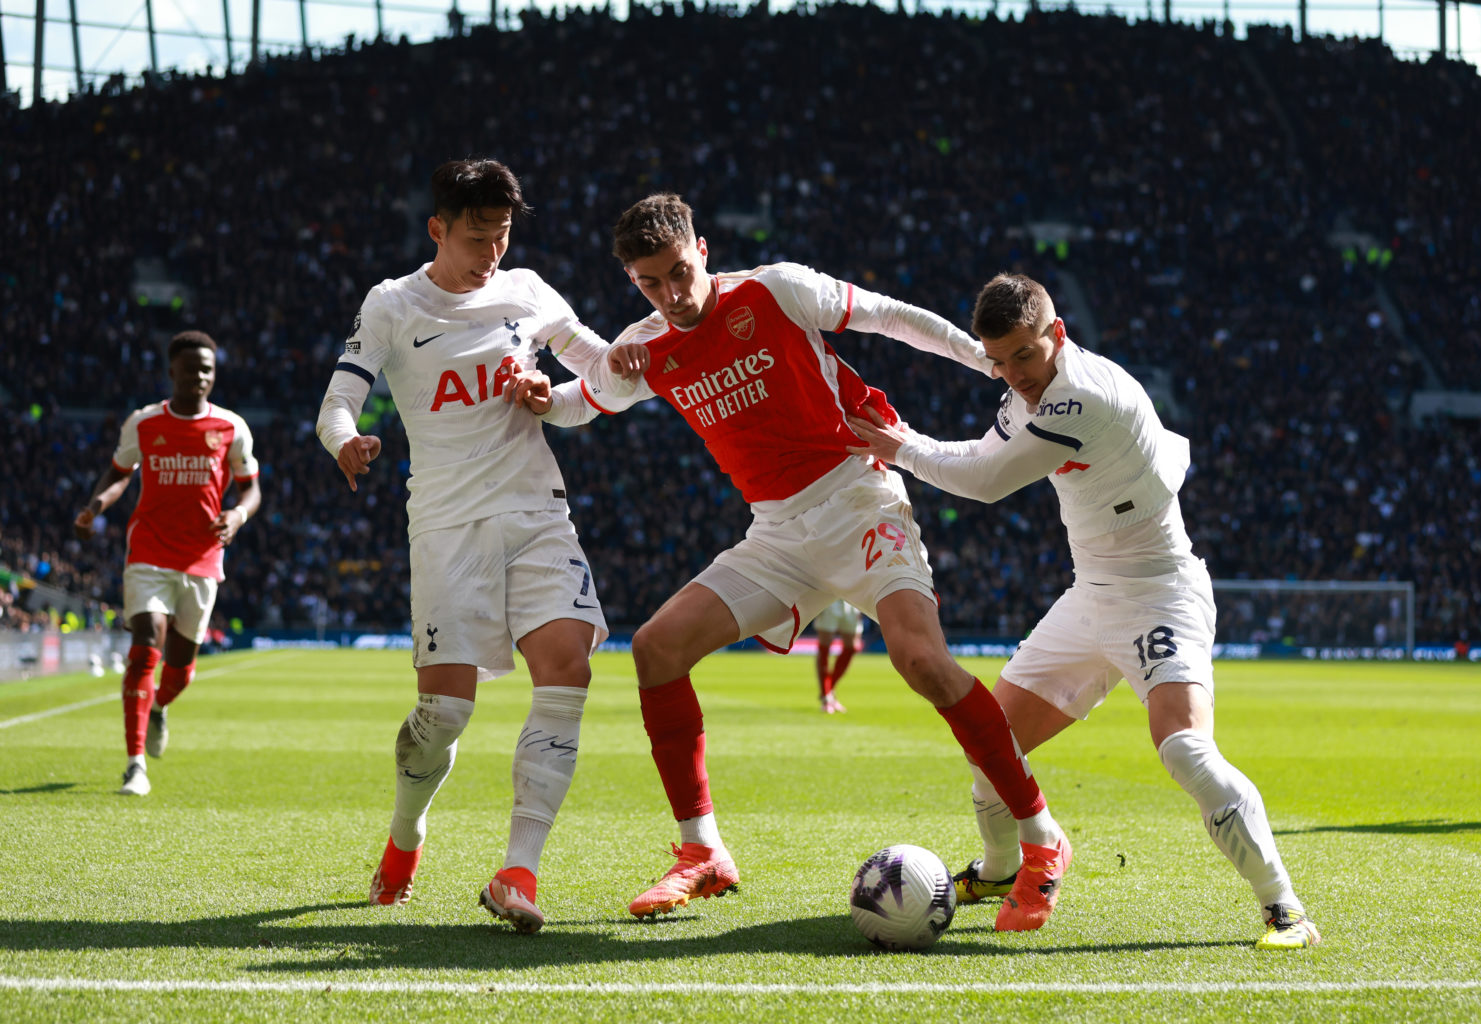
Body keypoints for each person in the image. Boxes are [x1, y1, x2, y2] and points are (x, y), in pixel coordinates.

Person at [531, 193, 1062, 931]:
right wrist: (541, 397)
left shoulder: (773, 290)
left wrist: (984, 361)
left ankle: (1040, 839)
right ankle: (702, 853)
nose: (672, 295)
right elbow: (587, 401)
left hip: (859, 498)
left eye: (679, 273)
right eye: (650, 283)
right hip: (778, 534)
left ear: (703, 250)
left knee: (923, 663)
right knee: (655, 649)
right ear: (632, 280)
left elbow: (888, 315)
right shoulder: (645, 344)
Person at [846, 272, 1321, 950]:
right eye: (1000, 361)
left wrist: (898, 444)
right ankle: (1001, 865)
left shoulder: (1083, 397)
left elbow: (983, 481)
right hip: (1090, 594)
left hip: (1160, 592)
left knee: (1185, 749)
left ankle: (1285, 910)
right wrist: (911, 444)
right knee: (989, 746)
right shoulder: (1027, 391)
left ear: (1057, 334)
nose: (1014, 375)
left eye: (1025, 356)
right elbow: (984, 451)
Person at [315, 158, 622, 934]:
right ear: (438, 229)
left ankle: (517, 871)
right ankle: (406, 835)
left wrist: (557, 398)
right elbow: (337, 402)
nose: (491, 252)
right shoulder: (392, 303)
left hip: (537, 512)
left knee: (567, 670)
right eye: (477, 237)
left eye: (503, 235)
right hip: (448, 527)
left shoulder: (527, 290)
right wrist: (348, 443)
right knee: (444, 712)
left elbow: (600, 377)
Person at [73, 330, 261, 798]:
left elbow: (250, 488)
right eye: (192, 367)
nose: (200, 376)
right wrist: (95, 507)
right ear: (172, 370)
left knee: (179, 667)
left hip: (202, 557)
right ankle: (135, 764)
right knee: (146, 642)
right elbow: (119, 475)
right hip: (150, 551)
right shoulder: (144, 423)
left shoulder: (231, 427)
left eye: (208, 369)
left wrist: (237, 515)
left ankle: (158, 706)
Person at [812, 599, 862, 713]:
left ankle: (829, 689)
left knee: (852, 647)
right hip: (830, 600)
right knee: (825, 646)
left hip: (851, 600)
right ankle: (826, 697)